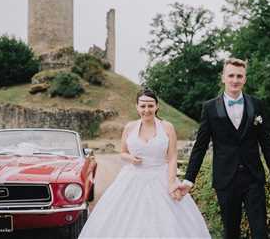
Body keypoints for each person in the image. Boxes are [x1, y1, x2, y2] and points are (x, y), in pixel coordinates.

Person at [79, 88, 211, 238]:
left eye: (150, 105)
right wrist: (130, 159)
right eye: (142, 106)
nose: (146, 110)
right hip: (132, 178)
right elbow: (122, 152)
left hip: (160, 176)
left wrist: (171, 182)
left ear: (157, 106)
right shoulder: (129, 127)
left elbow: (172, 156)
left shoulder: (167, 127)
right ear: (137, 107)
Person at [180, 58, 270, 239]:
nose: (235, 80)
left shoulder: (256, 105)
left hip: (253, 177)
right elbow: (200, 147)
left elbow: (267, 144)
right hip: (226, 179)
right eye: (231, 75)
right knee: (231, 232)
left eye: (239, 76)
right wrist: (189, 179)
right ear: (223, 78)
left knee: (260, 232)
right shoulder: (210, 108)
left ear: (245, 79)